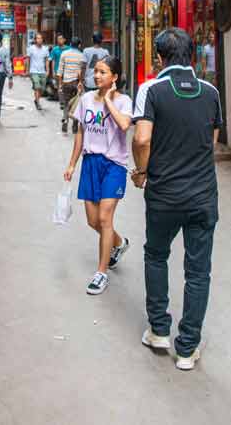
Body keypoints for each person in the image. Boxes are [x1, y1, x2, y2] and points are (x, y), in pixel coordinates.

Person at [131, 27, 223, 371]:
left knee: (156, 255)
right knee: (198, 271)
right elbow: (210, 142)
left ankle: (159, 330)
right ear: (192, 56)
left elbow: (142, 140)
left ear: (159, 58)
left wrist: (141, 172)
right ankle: (187, 348)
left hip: (164, 195)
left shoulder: (151, 89)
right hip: (202, 196)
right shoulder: (211, 91)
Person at [63, 55, 133, 295]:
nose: (97, 75)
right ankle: (119, 243)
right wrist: (72, 164)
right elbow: (80, 133)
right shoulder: (84, 100)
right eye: (96, 72)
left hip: (114, 164)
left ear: (114, 77)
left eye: (103, 72)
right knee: (93, 221)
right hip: (90, 162)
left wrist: (108, 100)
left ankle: (101, 272)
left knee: (104, 219)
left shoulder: (124, 101)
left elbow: (124, 125)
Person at [57, 38, 87, 134]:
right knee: (76, 104)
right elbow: (82, 72)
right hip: (76, 83)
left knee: (66, 103)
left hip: (66, 82)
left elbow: (60, 71)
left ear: (70, 44)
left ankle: (65, 119)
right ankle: (74, 126)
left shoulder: (64, 54)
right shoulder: (82, 56)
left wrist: (60, 84)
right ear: (79, 45)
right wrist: (81, 83)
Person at [27, 32, 51, 111]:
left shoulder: (45, 49)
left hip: (42, 71)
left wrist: (48, 70)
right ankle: (38, 103)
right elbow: (28, 59)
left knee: (42, 89)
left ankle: (36, 100)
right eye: (38, 38)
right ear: (35, 40)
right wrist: (28, 70)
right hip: (34, 71)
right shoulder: (31, 48)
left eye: (40, 38)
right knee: (37, 87)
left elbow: (47, 60)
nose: (39, 40)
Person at [48, 33, 68, 102]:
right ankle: (61, 100)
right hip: (57, 71)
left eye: (61, 39)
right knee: (59, 86)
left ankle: (64, 98)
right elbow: (52, 60)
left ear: (64, 40)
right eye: (58, 39)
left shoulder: (68, 49)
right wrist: (53, 71)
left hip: (67, 71)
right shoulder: (54, 49)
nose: (59, 40)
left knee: (65, 85)